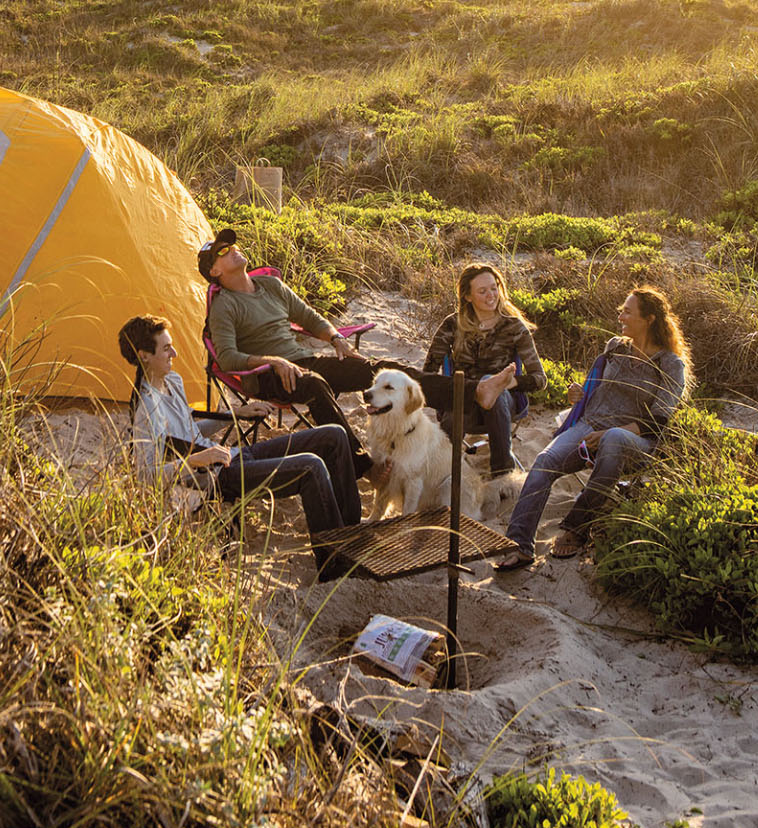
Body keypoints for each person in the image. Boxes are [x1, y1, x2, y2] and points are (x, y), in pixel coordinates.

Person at [200, 229, 516, 471]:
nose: (233, 251)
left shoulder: (270, 286)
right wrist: (272, 360)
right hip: (266, 377)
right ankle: (364, 467)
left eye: (232, 246)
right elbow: (226, 358)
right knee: (315, 384)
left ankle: (474, 393)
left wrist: (336, 338)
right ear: (214, 271)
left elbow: (308, 317)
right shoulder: (225, 306)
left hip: (304, 362)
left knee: (384, 370)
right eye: (223, 252)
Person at [117, 314, 362, 582]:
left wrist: (238, 413)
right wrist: (198, 459)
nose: (174, 352)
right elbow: (146, 475)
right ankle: (334, 566)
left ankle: (349, 537)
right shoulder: (146, 409)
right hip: (216, 476)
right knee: (310, 467)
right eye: (166, 348)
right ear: (144, 356)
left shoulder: (171, 381)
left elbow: (191, 430)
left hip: (230, 456)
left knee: (334, 436)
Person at [494, 285, 690, 570]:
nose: (620, 316)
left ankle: (577, 527)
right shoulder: (614, 348)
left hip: (636, 440)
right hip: (588, 426)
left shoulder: (670, 364)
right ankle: (520, 545)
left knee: (613, 438)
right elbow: (596, 391)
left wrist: (612, 432)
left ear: (649, 319)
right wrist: (579, 395)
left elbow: (660, 420)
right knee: (544, 463)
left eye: (627, 311)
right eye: (621, 310)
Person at [424, 263, 547, 478]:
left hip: (503, 403)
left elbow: (540, 379)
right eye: (482, 291)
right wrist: (448, 392)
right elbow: (428, 373)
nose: (491, 295)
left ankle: (502, 471)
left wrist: (511, 382)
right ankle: (441, 471)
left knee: (494, 384)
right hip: (462, 401)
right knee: (460, 402)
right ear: (468, 297)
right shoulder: (453, 325)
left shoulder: (514, 327)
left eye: (494, 287)